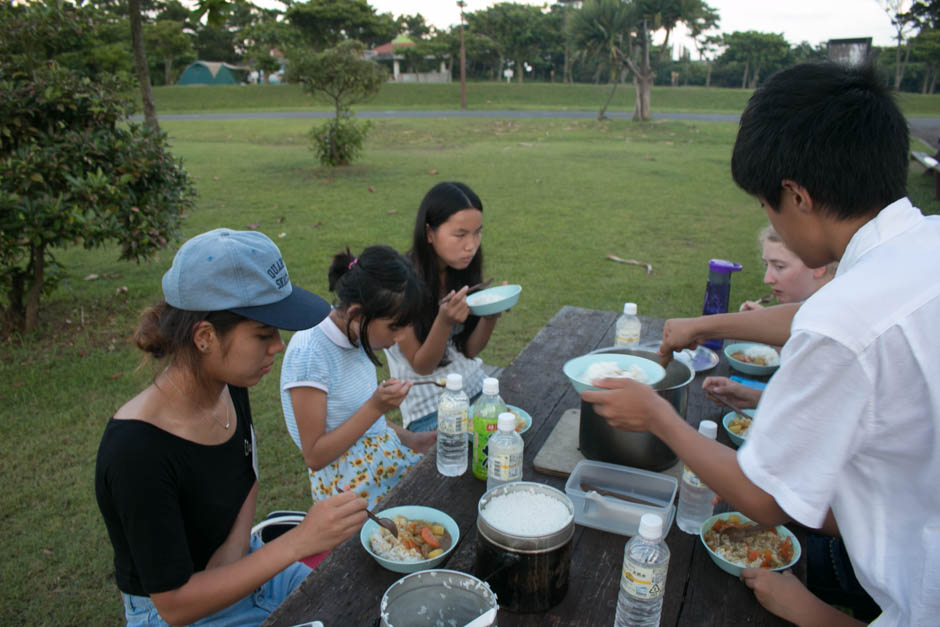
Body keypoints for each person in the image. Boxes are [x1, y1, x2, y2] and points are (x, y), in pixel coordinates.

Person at [584, 63, 940, 626]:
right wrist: (706, 326)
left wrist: (655, 413)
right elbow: (830, 316)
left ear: (796, 196)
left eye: (766, 204)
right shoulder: (923, 245)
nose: (769, 216)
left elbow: (766, 498)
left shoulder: (845, 321)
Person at [95, 228, 368, 627]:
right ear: (205, 337)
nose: (278, 345)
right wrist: (300, 542)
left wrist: (237, 548)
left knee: (357, 606)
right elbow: (174, 604)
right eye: (263, 333)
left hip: (247, 564)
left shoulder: (230, 386)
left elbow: (246, 472)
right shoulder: (136, 452)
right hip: (182, 609)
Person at [280, 246, 436, 509]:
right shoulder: (310, 352)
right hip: (350, 495)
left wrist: (413, 440)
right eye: (394, 327)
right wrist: (376, 405)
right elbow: (315, 455)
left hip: (383, 466)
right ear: (355, 314)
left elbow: (355, 418)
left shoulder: (357, 336)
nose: (400, 337)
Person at [384, 182, 501, 432]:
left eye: (478, 232)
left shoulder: (459, 271)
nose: (471, 245)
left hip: (476, 388)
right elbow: (422, 365)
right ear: (429, 233)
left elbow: (468, 350)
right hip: (429, 409)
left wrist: (490, 317)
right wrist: (444, 322)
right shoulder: (402, 285)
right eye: (460, 235)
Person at [739, 225, 837, 312]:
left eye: (779, 266)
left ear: (818, 266)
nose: (767, 279)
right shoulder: (817, 309)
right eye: (766, 265)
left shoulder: (829, 320)